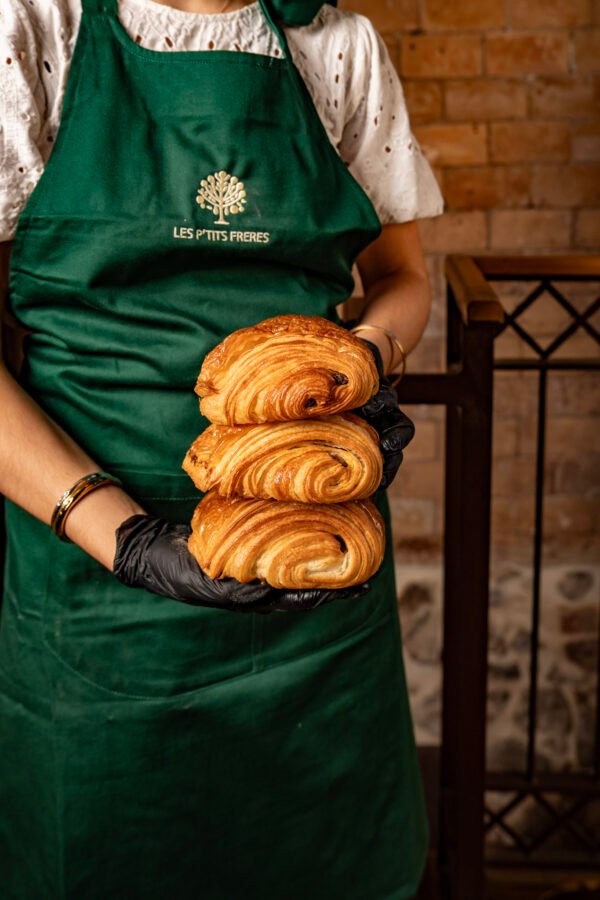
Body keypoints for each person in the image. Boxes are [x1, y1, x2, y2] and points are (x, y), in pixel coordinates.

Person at [0, 0, 444, 896]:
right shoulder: (37, 33)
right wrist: (130, 539)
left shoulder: (337, 47)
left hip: (313, 572)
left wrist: (362, 361)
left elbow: (403, 277)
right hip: (89, 595)